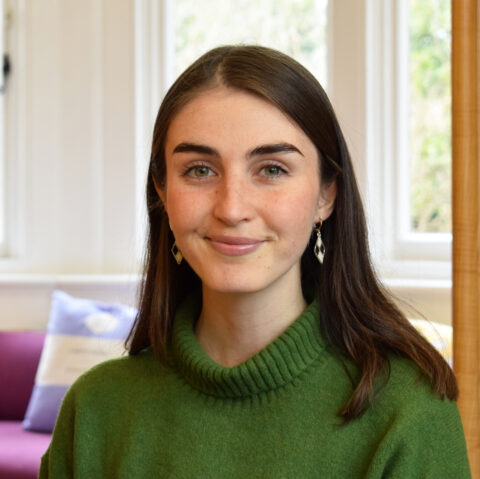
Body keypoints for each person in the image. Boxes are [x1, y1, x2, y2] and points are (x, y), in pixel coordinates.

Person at [40, 45, 471, 478]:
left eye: (272, 169)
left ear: (326, 194)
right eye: (200, 170)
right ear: (162, 191)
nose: (232, 209)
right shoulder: (94, 410)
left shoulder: (408, 412)